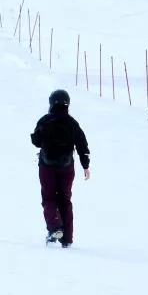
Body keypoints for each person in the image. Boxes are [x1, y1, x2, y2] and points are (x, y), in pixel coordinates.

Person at [31, 89, 91, 248]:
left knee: (49, 198)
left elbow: (36, 141)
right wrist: (86, 165)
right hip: (67, 167)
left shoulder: (45, 120)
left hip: (47, 166)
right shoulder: (72, 123)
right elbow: (82, 144)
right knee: (65, 200)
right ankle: (67, 239)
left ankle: (55, 228)